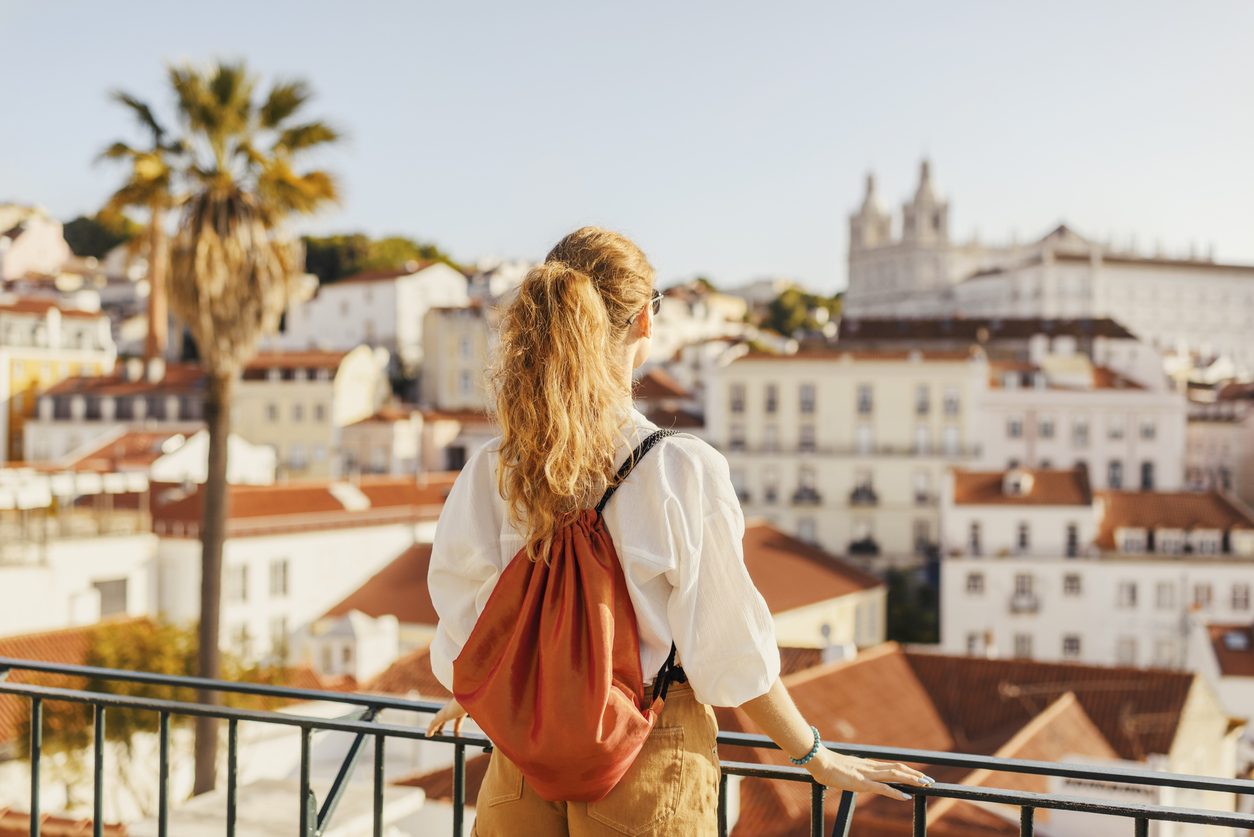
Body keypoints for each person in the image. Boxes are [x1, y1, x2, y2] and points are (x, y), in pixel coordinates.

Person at [426, 227, 931, 835]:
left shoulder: (493, 468)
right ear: (645, 319)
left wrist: (488, 693)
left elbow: (464, 613)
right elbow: (727, 644)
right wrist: (813, 754)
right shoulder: (677, 470)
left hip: (523, 758)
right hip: (645, 752)